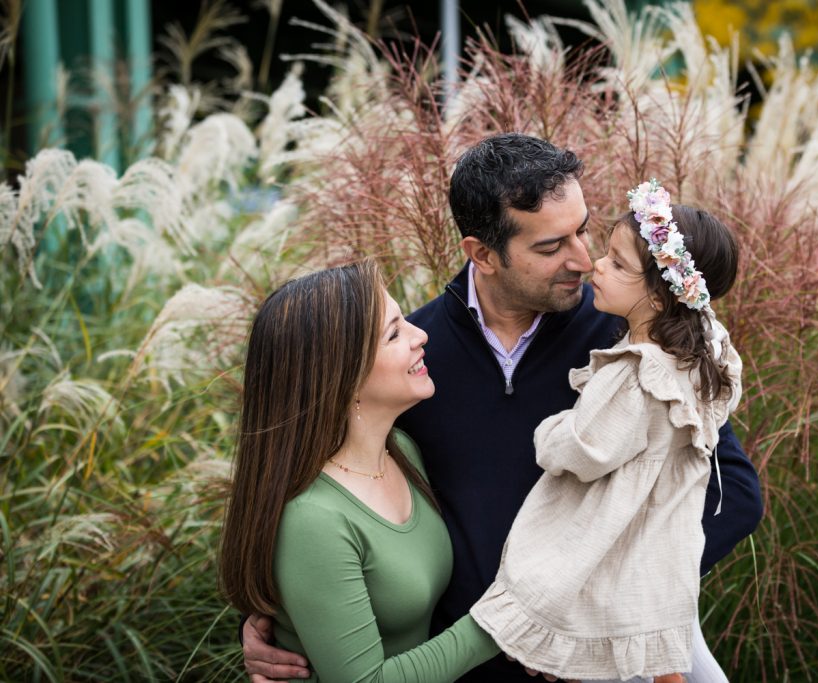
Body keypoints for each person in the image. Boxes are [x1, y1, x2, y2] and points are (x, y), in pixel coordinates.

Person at [242, 133, 762, 682]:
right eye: (550, 247)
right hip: (455, 669)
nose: (583, 260)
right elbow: (318, 487)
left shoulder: (638, 340)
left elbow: (734, 494)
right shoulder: (407, 359)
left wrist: (593, 607)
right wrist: (282, 624)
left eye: (582, 230)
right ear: (482, 254)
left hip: (593, 664)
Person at [471, 180, 742, 682]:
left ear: (661, 297)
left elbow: (583, 446)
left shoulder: (635, 375)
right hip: (665, 574)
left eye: (617, 264)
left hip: (618, 565)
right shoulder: (706, 351)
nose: (593, 264)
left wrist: (550, 430)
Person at [220, 262, 500, 683]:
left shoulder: (400, 452)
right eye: (394, 333)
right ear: (342, 374)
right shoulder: (313, 519)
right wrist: (505, 621)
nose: (420, 335)